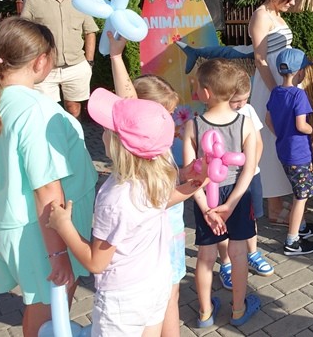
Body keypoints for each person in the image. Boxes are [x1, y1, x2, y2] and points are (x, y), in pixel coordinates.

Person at [46, 87, 205, 336]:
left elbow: (96, 262)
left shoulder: (114, 198)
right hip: (156, 284)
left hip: (123, 300)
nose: (102, 135)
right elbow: (163, 201)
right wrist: (197, 181)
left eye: (107, 131)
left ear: (119, 144)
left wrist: (64, 225)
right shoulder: (156, 176)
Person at [0, 17, 97, 337]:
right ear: (41, 61)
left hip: (20, 225)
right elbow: (47, 189)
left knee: (41, 310)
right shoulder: (36, 110)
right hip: (43, 234)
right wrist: (58, 253)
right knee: (48, 317)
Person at [184, 59, 260, 328]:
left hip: (206, 195)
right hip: (236, 196)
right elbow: (249, 169)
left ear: (205, 93)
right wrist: (232, 204)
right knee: (238, 254)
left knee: (205, 256)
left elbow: (189, 175)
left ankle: (205, 313)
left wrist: (207, 209)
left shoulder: (193, 125)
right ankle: (238, 310)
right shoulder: (246, 124)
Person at [248, 0, 300, 225]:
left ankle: (277, 199)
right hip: (270, 86)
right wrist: (276, 91)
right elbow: (260, 59)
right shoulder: (260, 15)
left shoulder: (276, 14)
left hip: (282, 83)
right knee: (270, 141)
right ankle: (273, 206)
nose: (292, 2)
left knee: (281, 137)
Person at [20, 0, 99, 119]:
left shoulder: (79, 2)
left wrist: (89, 61)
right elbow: (24, 31)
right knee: (47, 111)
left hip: (76, 65)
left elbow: (90, 31)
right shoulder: (34, 1)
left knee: (74, 109)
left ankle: (73, 134)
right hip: (45, 66)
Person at [266, 48, 313, 256]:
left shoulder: (276, 92)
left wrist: (282, 134)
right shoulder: (299, 94)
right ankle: (292, 241)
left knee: (298, 190)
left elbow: (268, 120)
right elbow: (301, 125)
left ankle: (302, 226)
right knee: (301, 196)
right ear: (300, 72)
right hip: (299, 154)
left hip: (284, 150)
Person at [218, 66, 272, 290]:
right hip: (225, 180)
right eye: (236, 101)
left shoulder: (248, 111)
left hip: (250, 176)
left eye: (245, 99)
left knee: (251, 217)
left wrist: (250, 168)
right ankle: (225, 263)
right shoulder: (216, 116)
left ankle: (252, 253)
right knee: (222, 222)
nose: (241, 104)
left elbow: (258, 143)